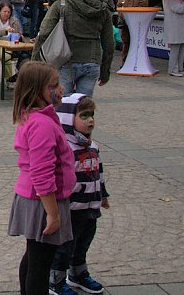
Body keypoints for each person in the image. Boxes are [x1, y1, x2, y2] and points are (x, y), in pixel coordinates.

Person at [8, 61, 76, 295]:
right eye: (54, 85)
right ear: (38, 91)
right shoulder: (42, 124)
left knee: (34, 257)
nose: (61, 90)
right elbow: (42, 173)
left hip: (36, 199)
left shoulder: (35, 117)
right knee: (40, 265)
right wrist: (53, 214)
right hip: (42, 202)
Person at [50, 94, 110, 295]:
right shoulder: (65, 148)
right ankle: (56, 279)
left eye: (91, 115)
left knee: (84, 241)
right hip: (72, 208)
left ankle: (78, 273)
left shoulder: (93, 146)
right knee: (65, 246)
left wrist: (103, 194)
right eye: (84, 116)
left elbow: (98, 172)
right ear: (68, 119)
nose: (90, 120)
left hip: (90, 206)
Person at [33, 0, 114, 96]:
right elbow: (109, 43)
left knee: (61, 103)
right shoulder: (102, 7)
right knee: (84, 106)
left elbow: (43, 33)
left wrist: (35, 62)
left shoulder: (61, 4)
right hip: (92, 60)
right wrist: (105, 71)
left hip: (66, 58)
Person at [0, 1, 24, 89]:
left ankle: (8, 80)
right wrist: (5, 30)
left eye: (8, 12)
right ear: (0, 11)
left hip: (8, 45)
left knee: (6, 57)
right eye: (4, 11)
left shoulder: (14, 20)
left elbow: (19, 33)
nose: (7, 14)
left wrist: (15, 33)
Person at [115, 0, 148, 65]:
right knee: (126, 42)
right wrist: (122, 14)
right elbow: (119, 5)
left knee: (136, 42)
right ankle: (124, 62)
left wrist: (129, 11)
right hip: (124, 22)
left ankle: (137, 62)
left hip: (137, 23)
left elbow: (143, 7)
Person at [162, 0, 184, 77]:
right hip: (175, 27)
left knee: (183, 46)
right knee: (176, 48)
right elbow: (179, 9)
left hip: (180, 27)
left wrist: (183, 2)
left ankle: (179, 68)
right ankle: (173, 69)